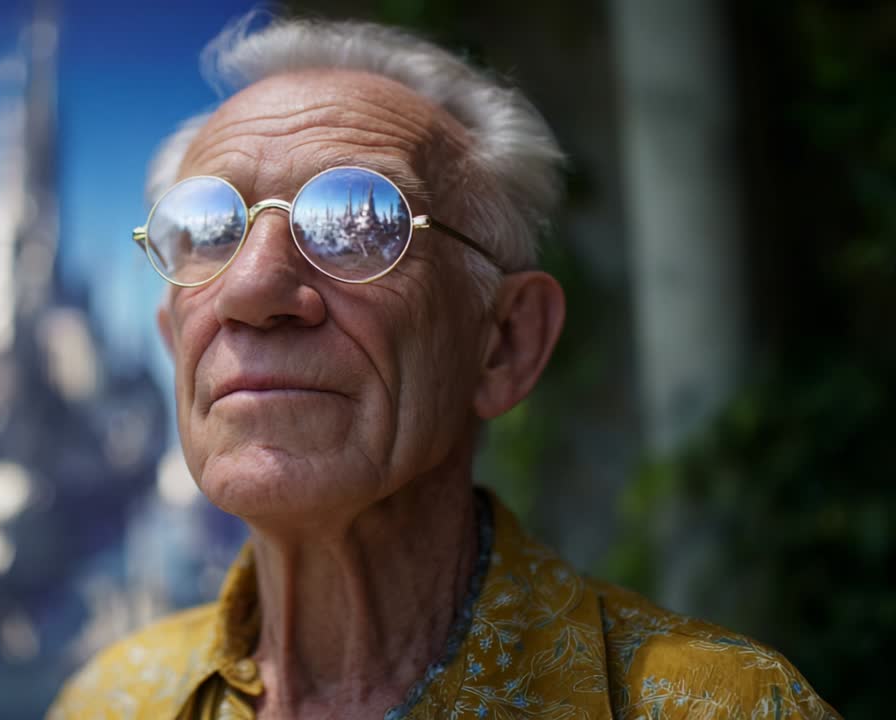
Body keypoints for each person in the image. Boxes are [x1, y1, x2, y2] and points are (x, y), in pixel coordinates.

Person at [48, 15, 839, 720]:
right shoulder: (111, 701)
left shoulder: (724, 709)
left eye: (354, 223)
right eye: (209, 229)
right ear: (171, 342)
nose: (251, 289)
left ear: (505, 343)